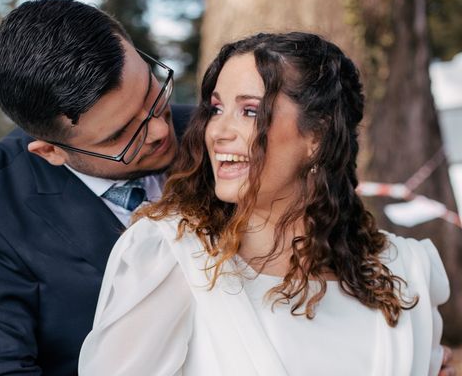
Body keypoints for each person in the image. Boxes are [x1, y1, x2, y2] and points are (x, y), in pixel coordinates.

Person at [79, 32, 452, 376]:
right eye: (216, 108)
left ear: (318, 136)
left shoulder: (406, 271)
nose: (218, 131)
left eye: (250, 111)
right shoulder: (172, 256)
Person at [0, 0, 193, 375]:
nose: (161, 130)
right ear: (51, 151)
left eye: (153, 95)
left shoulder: (217, 135)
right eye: (122, 135)